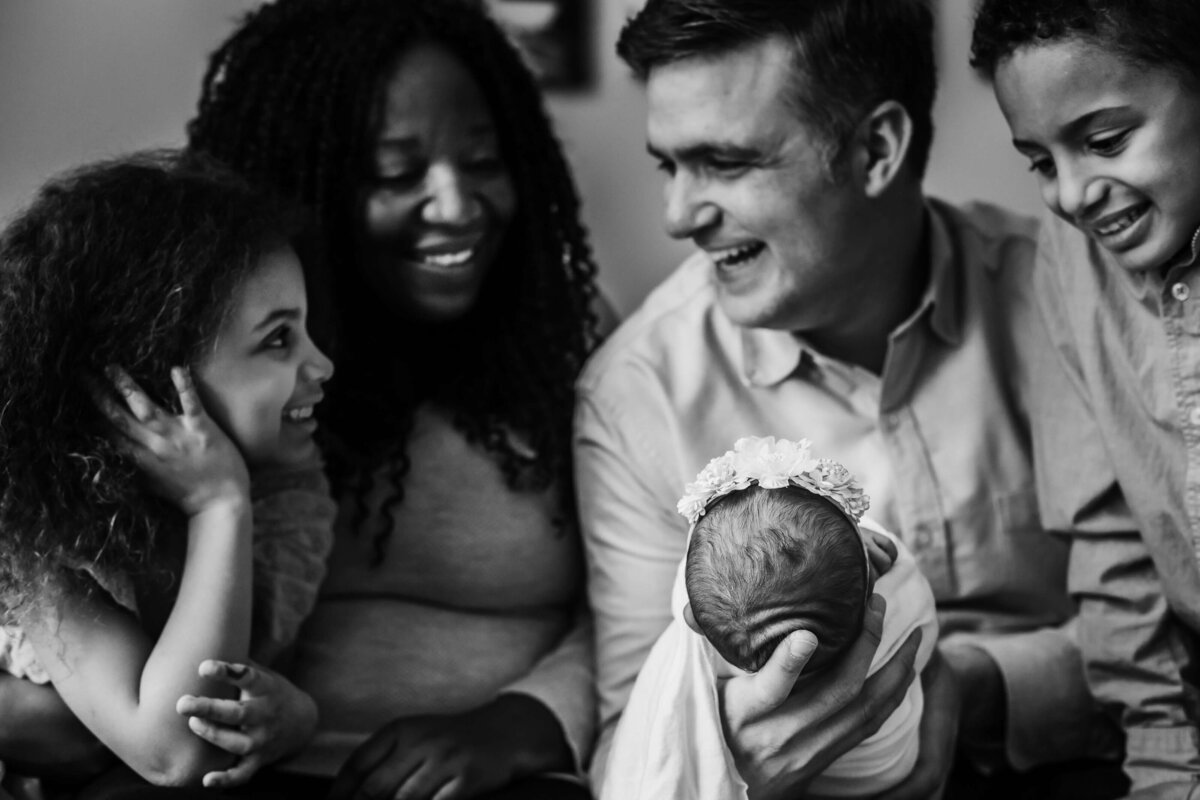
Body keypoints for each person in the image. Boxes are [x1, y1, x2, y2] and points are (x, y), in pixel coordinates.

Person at [575, 0, 1123, 798]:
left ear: (876, 149)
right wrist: (732, 752)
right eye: (670, 165)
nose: (678, 215)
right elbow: (631, 740)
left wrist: (971, 687)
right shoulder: (638, 396)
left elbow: (1172, 617)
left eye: (725, 164)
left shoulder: (1078, 302)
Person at [183, 0, 607, 796]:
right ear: (298, 186)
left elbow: (650, 598)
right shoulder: (206, 353)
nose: (455, 205)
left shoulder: (564, 342)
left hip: (505, 780)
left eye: (483, 162)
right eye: (395, 173)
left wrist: (527, 721)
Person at [0, 150, 336, 788]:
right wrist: (218, 506)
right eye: (277, 340)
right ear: (147, 376)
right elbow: (176, 753)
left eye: (306, 330)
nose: (322, 367)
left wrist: (297, 715)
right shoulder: (33, 526)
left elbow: (230, 683)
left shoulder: (292, 489)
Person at [970, 1, 1200, 794]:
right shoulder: (1070, 261)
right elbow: (1112, 549)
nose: (1070, 195)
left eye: (1105, 142)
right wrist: (1168, 768)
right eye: (1038, 160)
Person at [602, 436, 938, 799]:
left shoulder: (707, 623)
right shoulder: (885, 610)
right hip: (885, 771)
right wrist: (864, 545)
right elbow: (920, 608)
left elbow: (691, 580)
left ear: (695, 622)